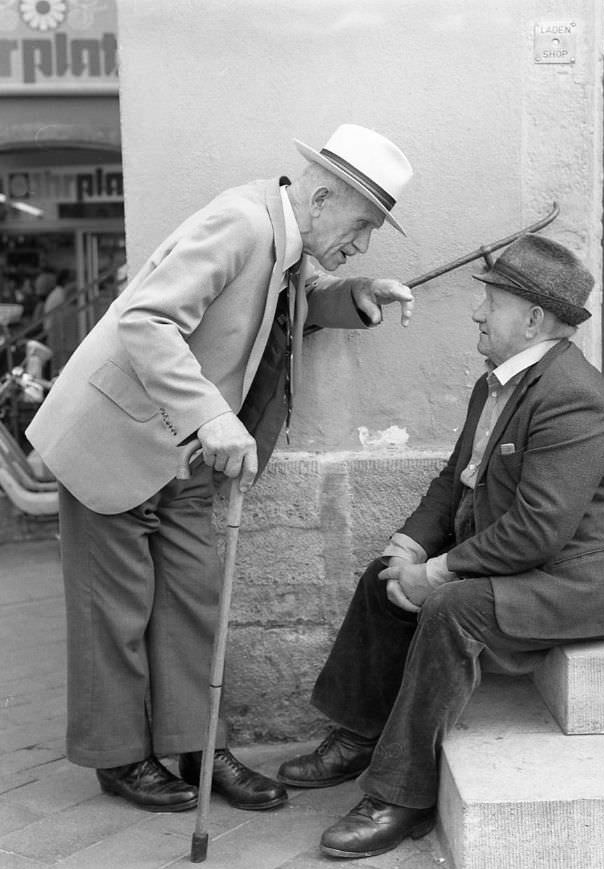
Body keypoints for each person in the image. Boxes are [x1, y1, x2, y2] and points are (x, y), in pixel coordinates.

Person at [25, 124, 415, 814]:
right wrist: (210, 413)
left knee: (194, 600)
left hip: (180, 444)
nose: (361, 242)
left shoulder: (285, 232)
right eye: (362, 226)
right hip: (116, 433)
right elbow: (145, 320)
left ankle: (201, 746)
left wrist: (359, 292)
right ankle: (119, 757)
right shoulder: (240, 222)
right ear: (323, 198)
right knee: (112, 608)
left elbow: (290, 298)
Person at [278, 233, 604, 859]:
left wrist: (440, 573)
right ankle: (361, 733)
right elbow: (455, 482)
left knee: (451, 608)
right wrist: (410, 548)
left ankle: (402, 796)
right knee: (382, 578)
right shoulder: (496, 383)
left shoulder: (571, 397)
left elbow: (536, 531)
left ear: (532, 319)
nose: (476, 312)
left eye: (490, 301)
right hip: (535, 562)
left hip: (581, 579)